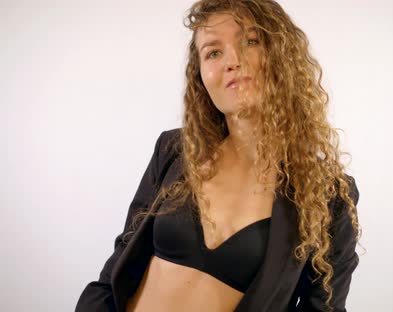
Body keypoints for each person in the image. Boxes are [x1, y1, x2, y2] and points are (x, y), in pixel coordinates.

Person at [75, 0, 362, 311]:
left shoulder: (328, 196)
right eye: (213, 52)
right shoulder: (175, 151)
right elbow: (119, 262)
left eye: (251, 41)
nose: (233, 61)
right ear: (201, 76)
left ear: (283, 56)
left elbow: (323, 307)